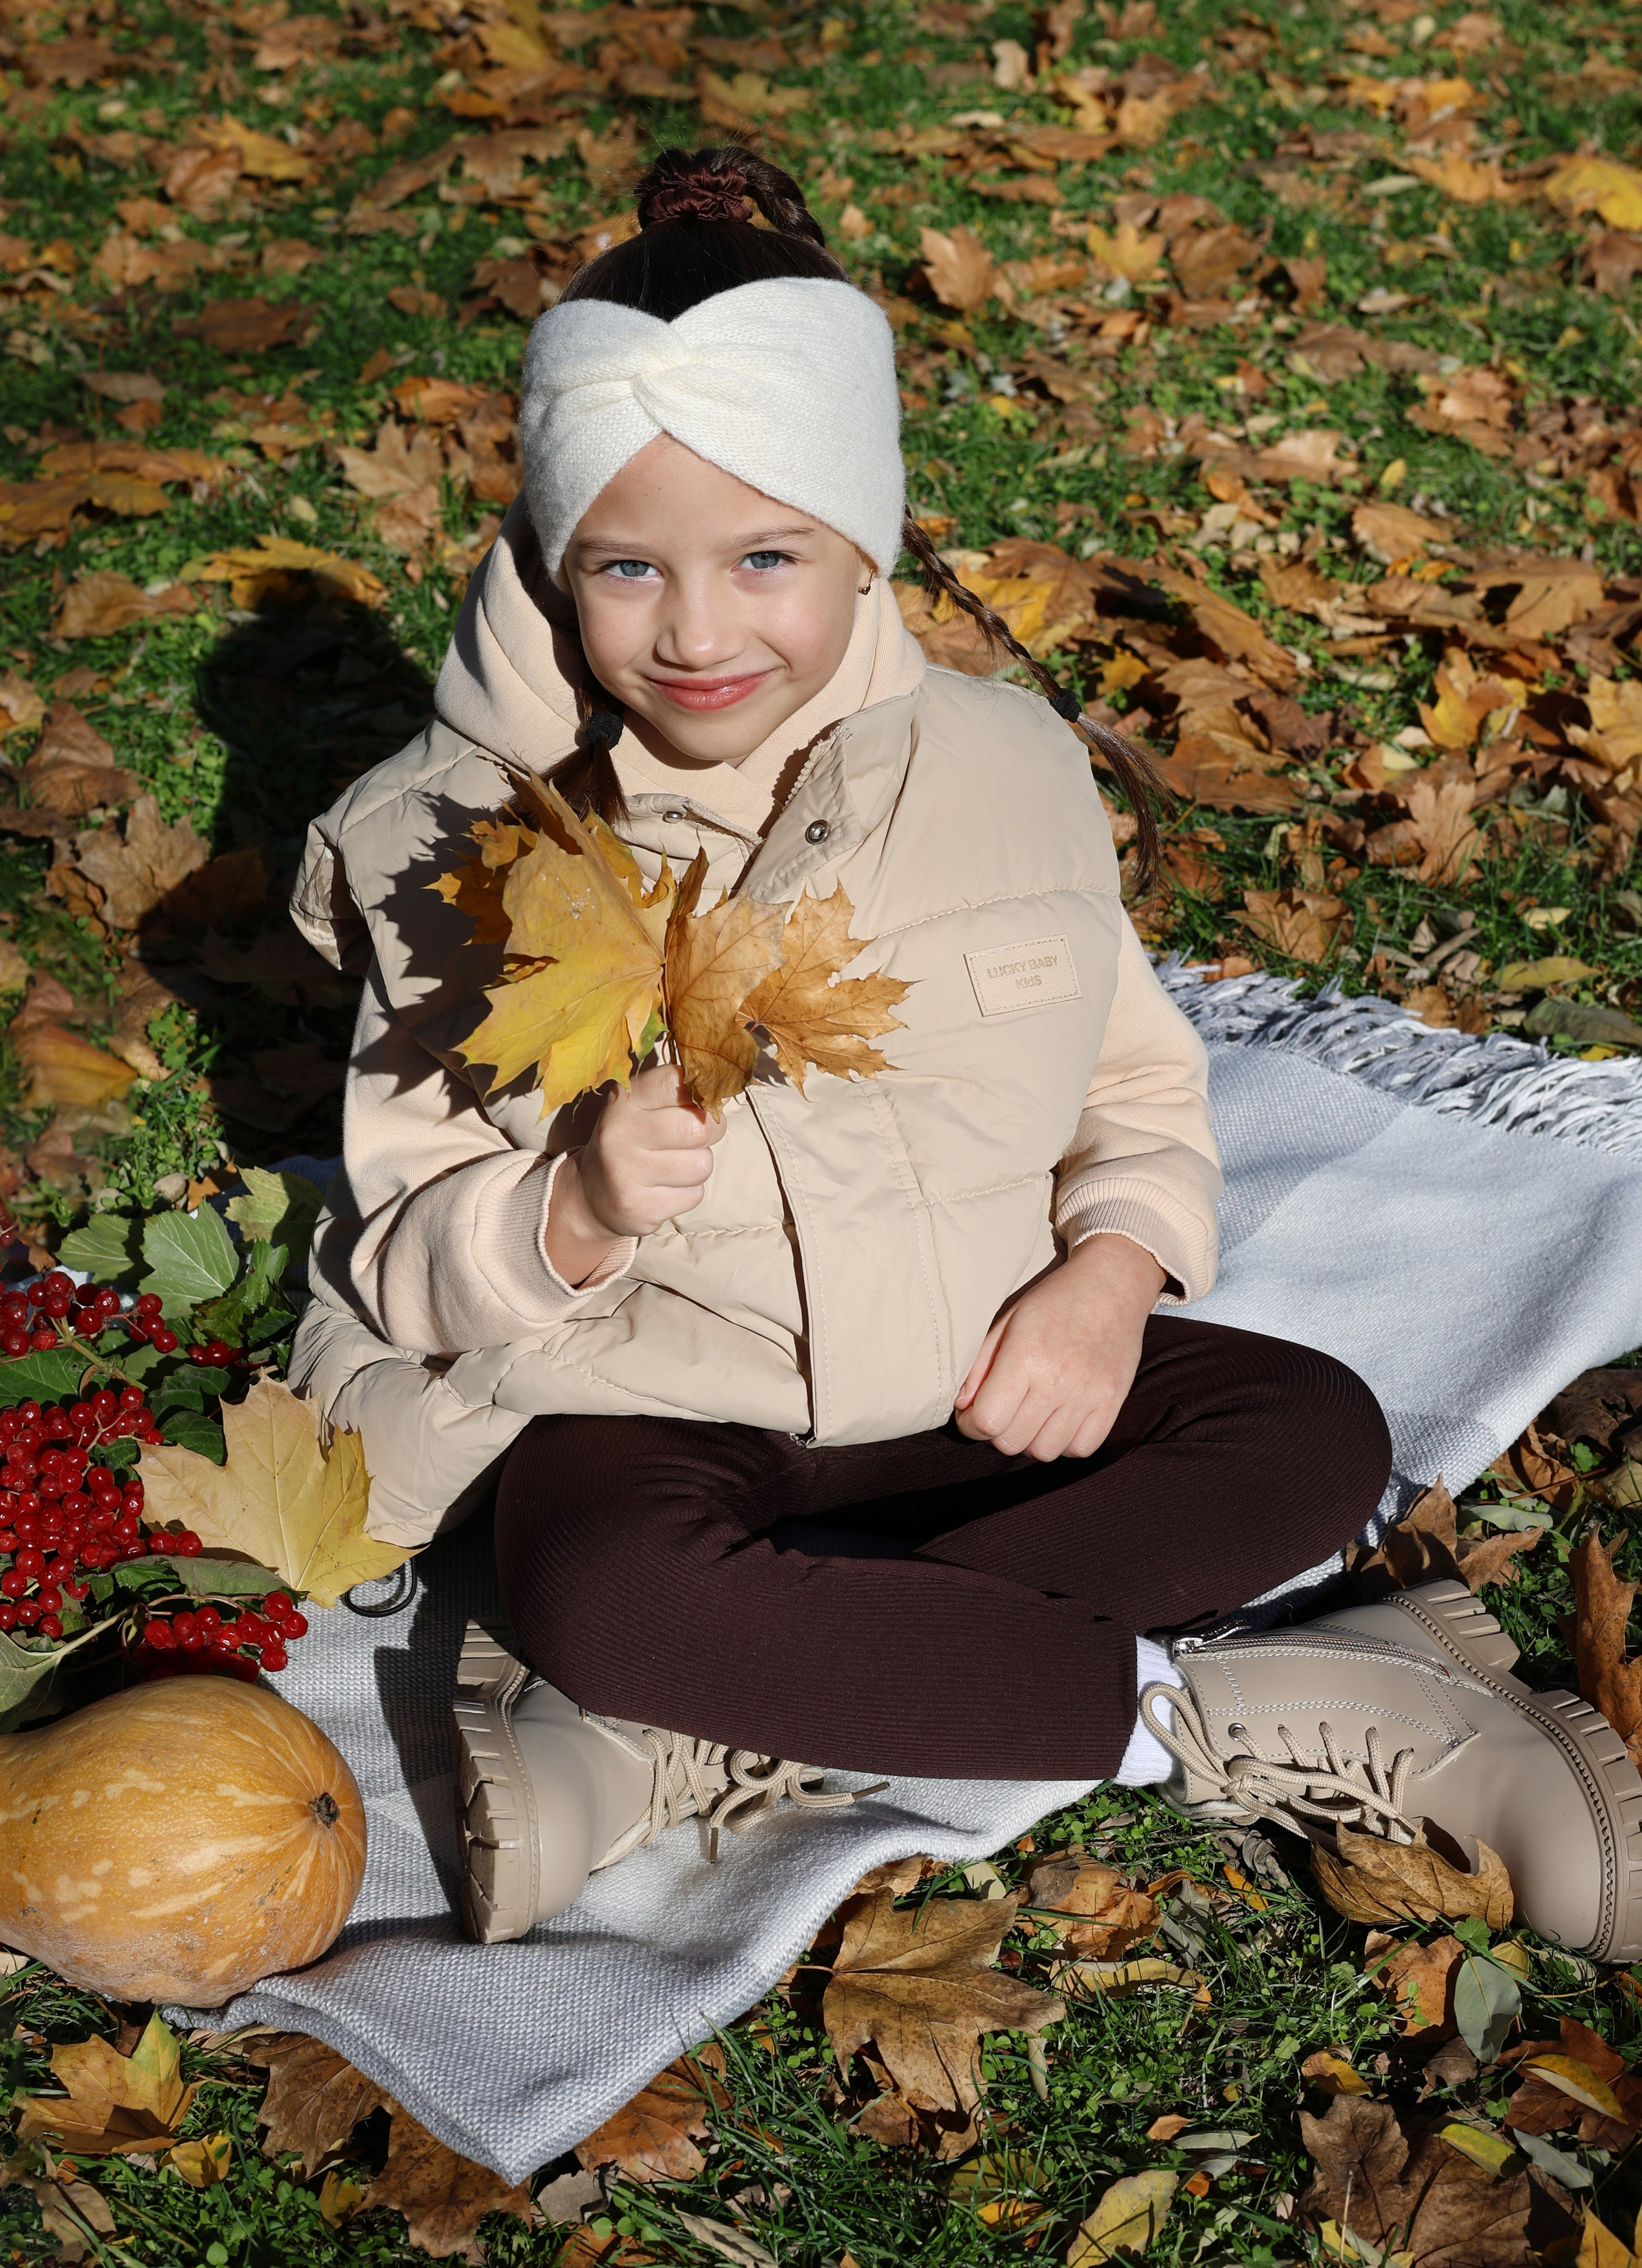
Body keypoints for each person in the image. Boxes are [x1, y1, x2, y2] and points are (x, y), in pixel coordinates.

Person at [287, 146, 1642, 1961]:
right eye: (627, 568)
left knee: (1310, 1435)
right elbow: (399, 1244)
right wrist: (573, 1211)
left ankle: (712, 1715)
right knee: (602, 1589)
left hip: (973, 1371)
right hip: (657, 1404)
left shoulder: (1002, 767)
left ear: (868, 539)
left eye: (768, 558)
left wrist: (1108, 1272)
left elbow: (1133, 1080)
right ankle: (1246, 1710)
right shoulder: (453, 847)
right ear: (550, 560)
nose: (698, 631)